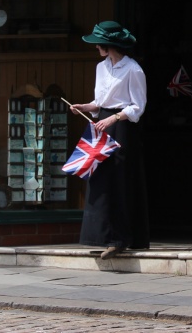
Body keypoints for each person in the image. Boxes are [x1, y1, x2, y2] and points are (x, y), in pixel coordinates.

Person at [69, 20, 149, 258]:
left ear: (108, 44)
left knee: (119, 178)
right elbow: (99, 102)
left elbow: (138, 106)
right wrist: (84, 106)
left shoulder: (133, 70)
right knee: (97, 177)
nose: (96, 48)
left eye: (98, 44)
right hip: (100, 123)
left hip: (122, 126)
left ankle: (120, 238)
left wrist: (113, 119)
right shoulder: (101, 67)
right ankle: (102, 236)